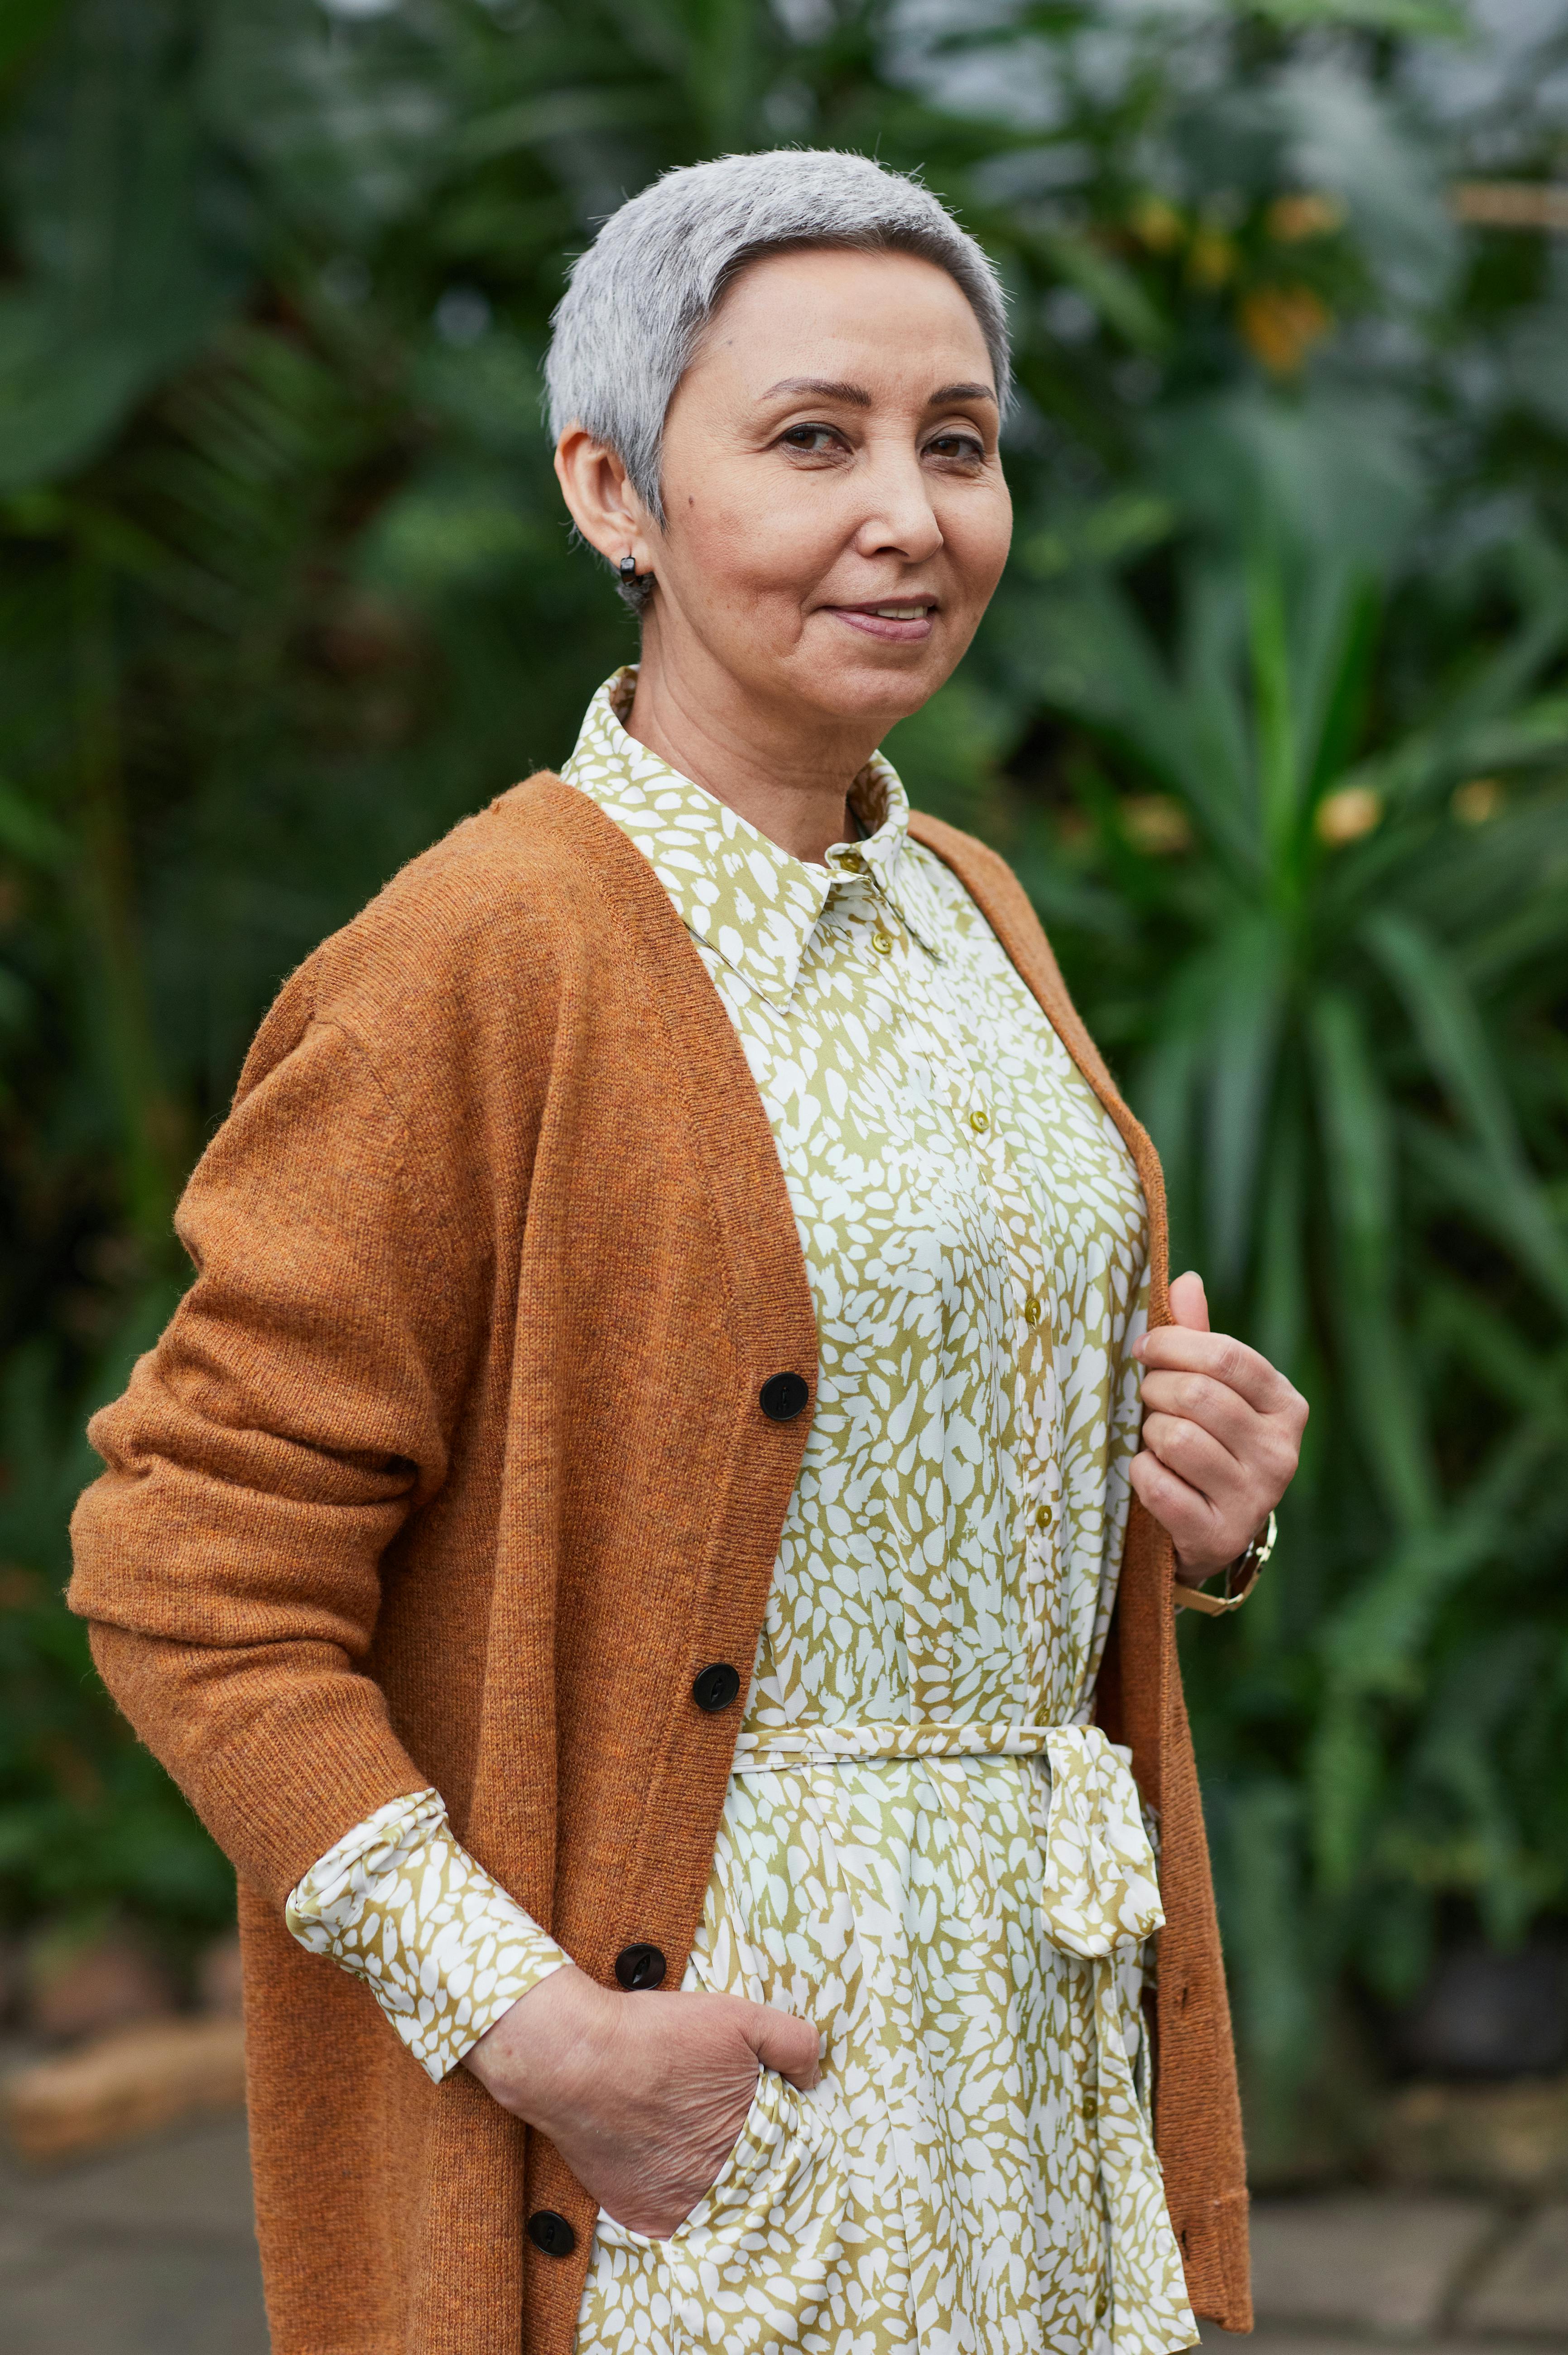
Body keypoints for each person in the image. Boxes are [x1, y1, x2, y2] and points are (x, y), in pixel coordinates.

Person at [69, 149, 1306, 2355]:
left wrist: (1199, 1515)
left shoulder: (975, 913)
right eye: (812, 439)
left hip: (1029, 2082)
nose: (907, 514)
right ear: (613, 491)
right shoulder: (471, 962)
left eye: (958, 443)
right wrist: (537, 2034)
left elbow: (940, 1478)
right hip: (699, 2129)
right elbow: (185, 1565)